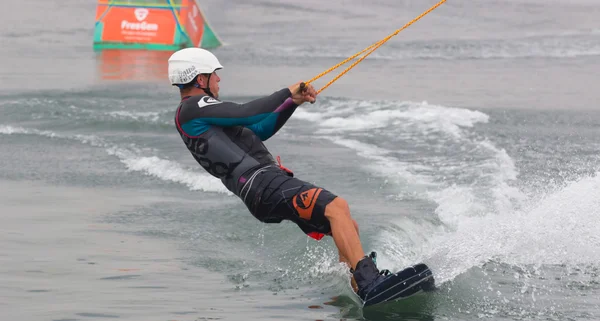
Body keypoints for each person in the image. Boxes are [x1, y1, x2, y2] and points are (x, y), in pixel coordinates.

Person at [168, 47, 388, 300]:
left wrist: (291, 104)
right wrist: (286, 92)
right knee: (337, 207)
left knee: (346, 224)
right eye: (214, 74)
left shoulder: (204, 115)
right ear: (200, 79)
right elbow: (246, 113)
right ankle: (370, 282)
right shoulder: (194, 106)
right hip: (263, 183)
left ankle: (357, 289)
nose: (219, 79)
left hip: (263, 188)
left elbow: (258, 129)